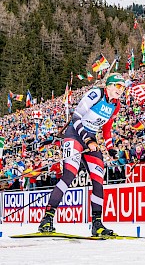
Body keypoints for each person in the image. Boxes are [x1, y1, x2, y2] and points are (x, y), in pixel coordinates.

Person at [38, 73, 125, 236]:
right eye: (118, 86)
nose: (121, 90)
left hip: (90, 139)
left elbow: (106, 129)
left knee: (99, 179)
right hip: (75, 135)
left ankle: (97, 224)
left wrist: (110, 147)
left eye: (123, 87)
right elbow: (76, 117)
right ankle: (47, 219)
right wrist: (87, 139)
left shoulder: (116, 105)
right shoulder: (96, 94)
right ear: (109, 86)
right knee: (70, 174)